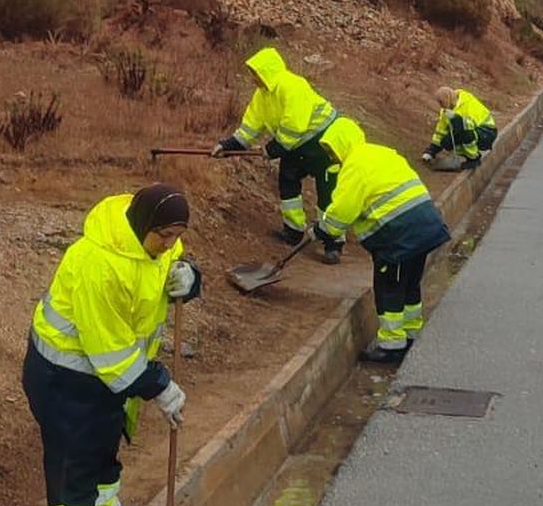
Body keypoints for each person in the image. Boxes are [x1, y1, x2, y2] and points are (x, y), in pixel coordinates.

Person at [21, 183, 201, 506]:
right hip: (65, 374)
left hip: (102, 375)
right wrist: (161, 386)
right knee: (76, 456)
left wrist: (189, 279)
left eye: (176, 236)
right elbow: (111, 354)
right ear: (144, 225)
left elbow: (167, 272)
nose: (169, 244)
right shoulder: (98, 265)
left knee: (105, 438)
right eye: (164, 236)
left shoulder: (157, 243)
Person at [316, 117, 450, 363]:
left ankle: (392, 346)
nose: (332, 157)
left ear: (342, 144)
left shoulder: (354, 167)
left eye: (332, 150)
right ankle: (411, 334)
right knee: (409, 284)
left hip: (399, 236)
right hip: (425, 226)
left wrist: (324, 229)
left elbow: (343, 210)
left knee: (389, 288)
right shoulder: (381, 153)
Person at [213, 45, 343, 260]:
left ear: (266, 71)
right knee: (287, 183)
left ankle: (333, 243)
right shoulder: (262, 95)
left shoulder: (293, 86)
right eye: (252, 73)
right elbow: (250, 127)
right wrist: (228, 145)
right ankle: (293, 230)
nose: (253, 78)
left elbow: (294, 125)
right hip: (294, 145)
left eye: (255, 73)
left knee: (327, 192)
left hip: (323, 143)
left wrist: (272, 150)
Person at [424, 83, 498, 171]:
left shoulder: (468, 103)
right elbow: (440, 132)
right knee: (447, 141)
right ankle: (467, 156)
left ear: (447, 99)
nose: (441, 105)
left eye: (441, 102)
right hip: (472, 131)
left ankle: (473, 159)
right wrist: (431, 151)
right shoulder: (446, 110)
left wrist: (455, 118)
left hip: (487, 132)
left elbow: (467, 127)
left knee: (463, 133)